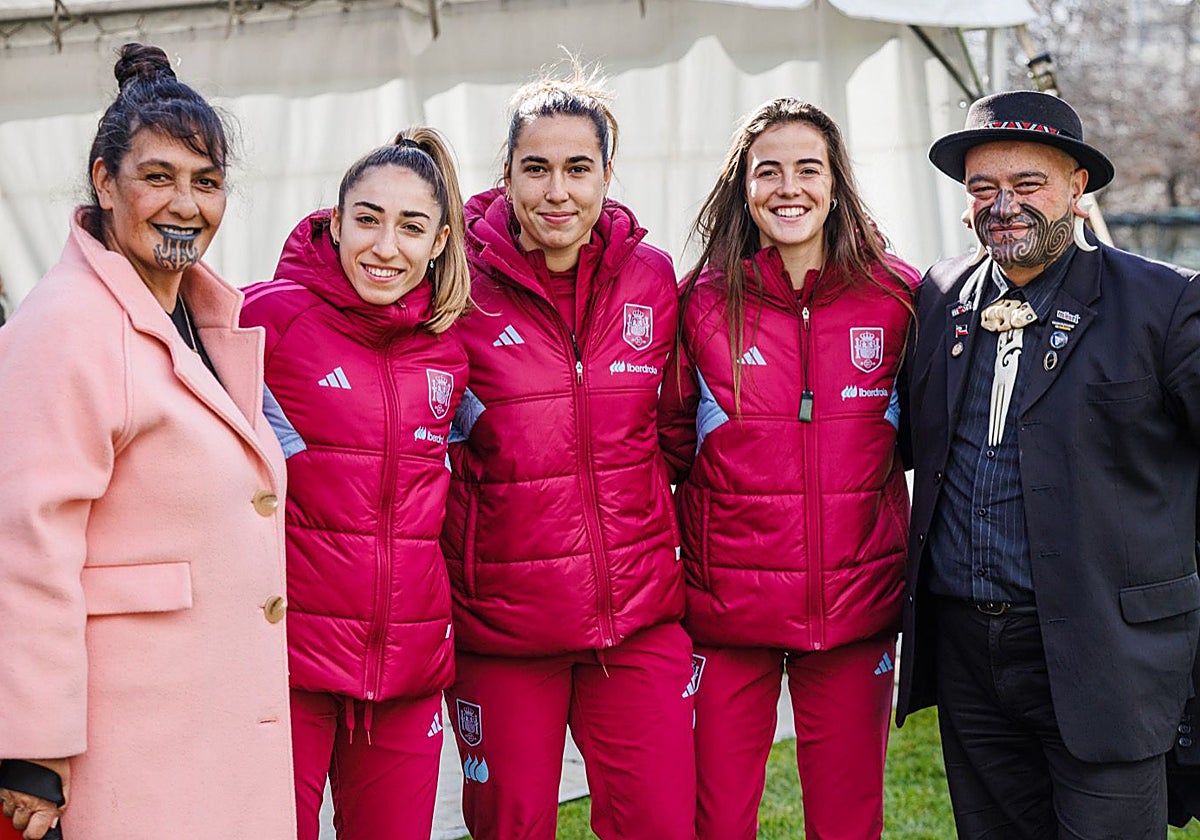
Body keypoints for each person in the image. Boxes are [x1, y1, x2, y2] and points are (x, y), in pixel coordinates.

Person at [0, 43, 295, 840]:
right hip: (130, 740)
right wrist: (33, 750)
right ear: (104, 182)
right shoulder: (62, 326)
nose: (185, 204)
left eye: (206, 182)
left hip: (208, 718)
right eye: (157, 177)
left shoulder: (199, 316)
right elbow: (27, 543)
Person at [896, 89, 1200, 839]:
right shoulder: (939, 296)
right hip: (969, 651)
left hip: (1108, 650)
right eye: (982, 189)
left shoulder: (1164, 303)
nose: (1004, 205)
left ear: (1076, 187)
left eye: (1027, 184)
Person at [440, 60, 695, 840]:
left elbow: (676, 429)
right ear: (508, 175)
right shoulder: (454, 283)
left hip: (639, 618)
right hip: (506, 629)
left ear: (608, 174)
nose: (558, 192)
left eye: (579, 168)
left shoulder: (651, 277)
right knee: (511, 826)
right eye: (537, 168)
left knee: (659, 823)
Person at [658, 97, 919, 840]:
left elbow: (917, 440)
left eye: (809, 168)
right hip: (725, 613)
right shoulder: (702, 305)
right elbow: (672, 445)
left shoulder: (897, 298)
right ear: (743, 187)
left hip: (855, 607)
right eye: (767, 171)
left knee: (847, 822)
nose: (789, 187)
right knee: (719, 821)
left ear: (836, 182)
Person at [239, 129, 470, 840]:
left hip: (406, 669)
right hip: (286, 665)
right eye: (367, 219)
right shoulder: (263, 319)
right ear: (334, 223)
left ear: (437, 243)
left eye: (411, 227)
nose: (385, 247)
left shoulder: (451, 345)